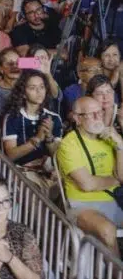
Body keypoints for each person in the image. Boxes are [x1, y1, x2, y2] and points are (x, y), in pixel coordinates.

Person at [57, 96, 123, 251]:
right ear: (77, 119)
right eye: (91, 114)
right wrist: (115, 180)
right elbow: (87, 184)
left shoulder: (110, 138)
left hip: (116, 200)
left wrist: (120, 145)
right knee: (107, 230)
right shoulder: (68, 144)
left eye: (99, 112)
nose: (97, 117)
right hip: (83, 205)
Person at [1, 70, 62, 191]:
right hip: (22, 170)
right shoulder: (12, 117)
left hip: (47, 169)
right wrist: (38, 139)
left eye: (42, 87)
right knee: (34, 189)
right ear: (23, 93)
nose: (39, 92)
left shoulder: (54, 118)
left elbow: (57, 156)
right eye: (33, 88)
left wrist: (49, 137)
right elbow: (11, 155)